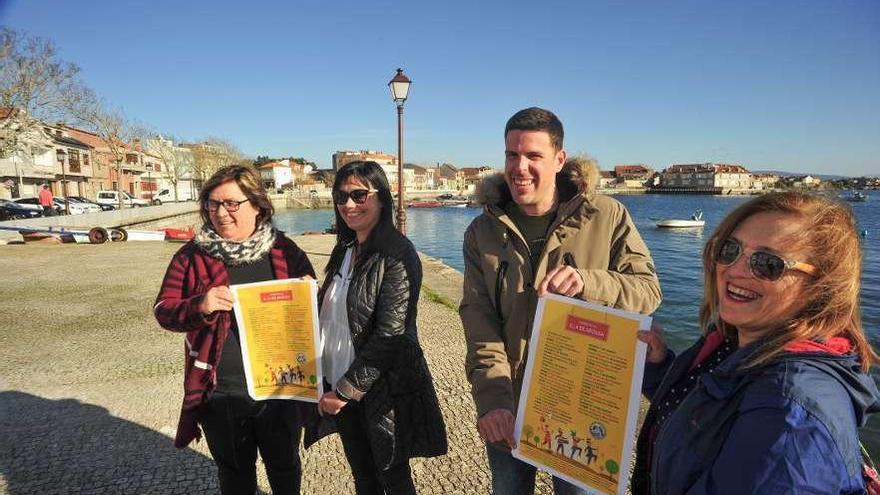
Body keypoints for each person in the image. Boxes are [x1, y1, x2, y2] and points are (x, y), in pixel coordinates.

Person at [460, 107, 662, 494]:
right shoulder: (481, 230)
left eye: (533, 156)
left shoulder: (606, 215)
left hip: (580, 407)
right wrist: (492, 399)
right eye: (511, 155)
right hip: (510, 402)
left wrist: (588, 283)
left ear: (559, 159)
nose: (520, 167)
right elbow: (478, 319)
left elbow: (647, 292)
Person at [633, 192, 880, 494]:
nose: (735, 270)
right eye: (730, 249)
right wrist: (660, 368)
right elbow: (711, 412)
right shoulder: (734, 343)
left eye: (768, 263)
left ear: (820, 287)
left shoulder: (790, 416)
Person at [154, 164, 315, 494]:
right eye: (213, 204)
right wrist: (201, 304)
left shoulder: (286, 251)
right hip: (221, 390)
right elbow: (163, 311)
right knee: (234, 476)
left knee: (285, 469)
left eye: (231, 203)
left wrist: (311, 293)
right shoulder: (192, 256)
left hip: (280, 388)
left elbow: (315, 308)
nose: (220, 213)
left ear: (257, 205)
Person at [306, 160, 447, 494]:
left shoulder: (398, 253)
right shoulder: (345, 249)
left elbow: (390, 334)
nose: (349, 205)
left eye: (359, 195)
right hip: (339, 381)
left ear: (381, 198)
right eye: (340, 197)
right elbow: (339, 312)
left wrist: (345, 390)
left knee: (393, 479)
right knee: (364, 477)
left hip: (379, 389)